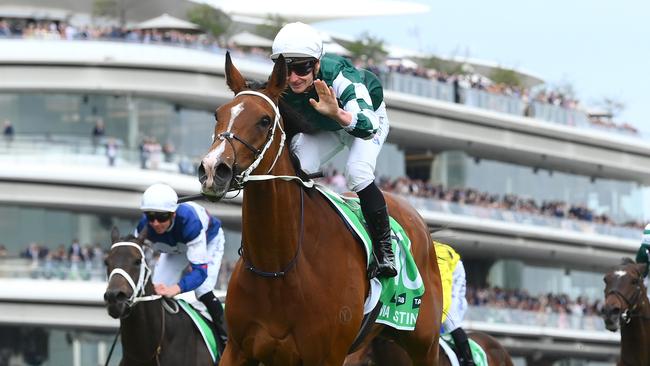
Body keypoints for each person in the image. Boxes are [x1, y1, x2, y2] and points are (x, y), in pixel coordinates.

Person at [270, 22, 396, 278]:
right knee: (298, 163)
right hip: (328, 127)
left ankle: (385, 250)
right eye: (286, 69)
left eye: (301, 68)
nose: (293, 77)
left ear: (317, 64)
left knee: (357, 172)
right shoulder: (281, 83)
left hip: (366, 120)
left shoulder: (339, 75)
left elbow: (368, 126)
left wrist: (338, 112)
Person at [135, 183, 227, 351]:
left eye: (162, 217)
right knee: (156, 293)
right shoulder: (143, 227)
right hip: (175, 249)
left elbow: (200, 273)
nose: (155, 223)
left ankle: (226, 340)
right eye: (150, 216)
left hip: (207, 242)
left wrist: (176, 288)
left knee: (203, 290)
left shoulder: (190, 222)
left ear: (173, 214)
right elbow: (135, 260)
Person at [436, 242, 475, 366]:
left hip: (453, 271)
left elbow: (443, 291)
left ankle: (469, 360)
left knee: (448, 317)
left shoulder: (438, 259)